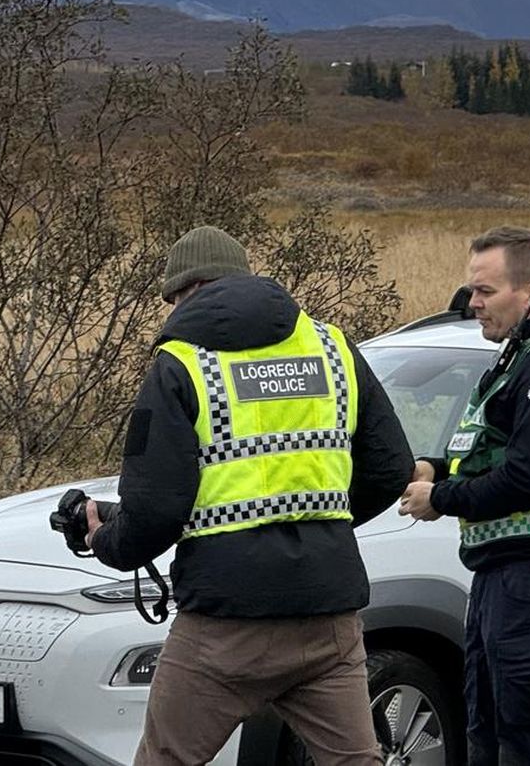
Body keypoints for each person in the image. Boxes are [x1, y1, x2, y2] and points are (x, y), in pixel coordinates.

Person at [86, 225, 413, 766]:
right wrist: (317, 527)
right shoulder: (332, 347)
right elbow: (391, 468)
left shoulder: (180, 364)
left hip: (224, 625)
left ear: (185, 292)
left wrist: (106, 540)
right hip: (326, 614)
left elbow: (157, 508)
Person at [399, 226, 530, 766]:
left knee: (528, 751)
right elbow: (493, 456)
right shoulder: (515, 359)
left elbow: (527, 480)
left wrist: (440, 496)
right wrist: (433, 466)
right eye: (472, 290)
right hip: (502, 581)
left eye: (485, 291)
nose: (473, 303)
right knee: (485, 742)